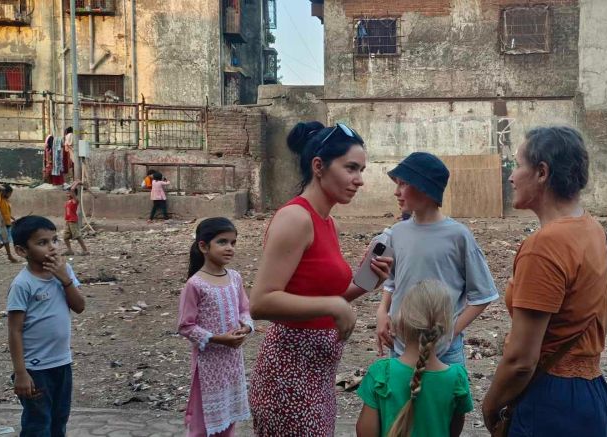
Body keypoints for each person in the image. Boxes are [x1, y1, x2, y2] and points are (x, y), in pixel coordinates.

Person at [247, 121, 393, 436]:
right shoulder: (295, 218)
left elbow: (323, 299)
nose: (359, 180)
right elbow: (260, 302)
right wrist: (335, 306)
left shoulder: (328, 223)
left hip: (319, 376)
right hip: (289, 376)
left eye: (362, 170)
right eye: (351, 168)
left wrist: (366, 283)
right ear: (319, 166)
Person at [482, 126, 607, 436]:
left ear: (542, 172)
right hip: (593, 395)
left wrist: (490, 408)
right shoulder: (596, 232)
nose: (511, 176)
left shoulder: (545, 246)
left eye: (518, 165)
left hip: (551, 401)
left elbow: (521, 361)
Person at [375, 152, 499, 365]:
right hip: (400, 347)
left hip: (445, 354)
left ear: (424, 187)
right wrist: (382, 312)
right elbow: (392, 280)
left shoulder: (459, 236)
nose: (396, 192)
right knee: (402, 399)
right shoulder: (396, 233)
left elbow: (483, 295)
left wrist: (450, 335)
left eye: (403, 184)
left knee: (442, 399)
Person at [356, 281, 473, 437]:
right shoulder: (457, 378)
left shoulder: (381, 374)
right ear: (446, 327)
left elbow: (365, 433)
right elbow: (453, 432)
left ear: (400, 322)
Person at [6, 215, 85, 437]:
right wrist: (21, 373)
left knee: (59, 420)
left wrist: (64, 279)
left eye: (54, 240)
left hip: (61, 363)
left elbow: (79, 306)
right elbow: (15, 330)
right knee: (38, 425)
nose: (51, 247)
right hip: (34, 369)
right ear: (22, 251)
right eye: (42, 243)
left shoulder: (64, 272)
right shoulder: (23, 284)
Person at [178, 217, 253, 437]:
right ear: (203, 246)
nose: (229, 248)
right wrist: (218, 339)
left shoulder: (234, 278)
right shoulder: (195, 284)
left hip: (232, 364)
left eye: (233, 243)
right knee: (203, 425)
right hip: (208, 366)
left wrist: (246, 328)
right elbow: (185, 326)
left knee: (228, 419)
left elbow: (245, 310)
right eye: (222, 242)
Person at [62, 183, 89, 256]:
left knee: (77, 236)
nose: (67, 193)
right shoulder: (68, 201)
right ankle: (69, 250)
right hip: (68, 221)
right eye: (67, 192)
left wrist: (77, 183)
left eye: (69, 192)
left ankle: (85, 250)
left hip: (73, 221)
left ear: (73, 193)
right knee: (65, 237)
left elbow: (72, 189)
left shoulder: (75, 201)